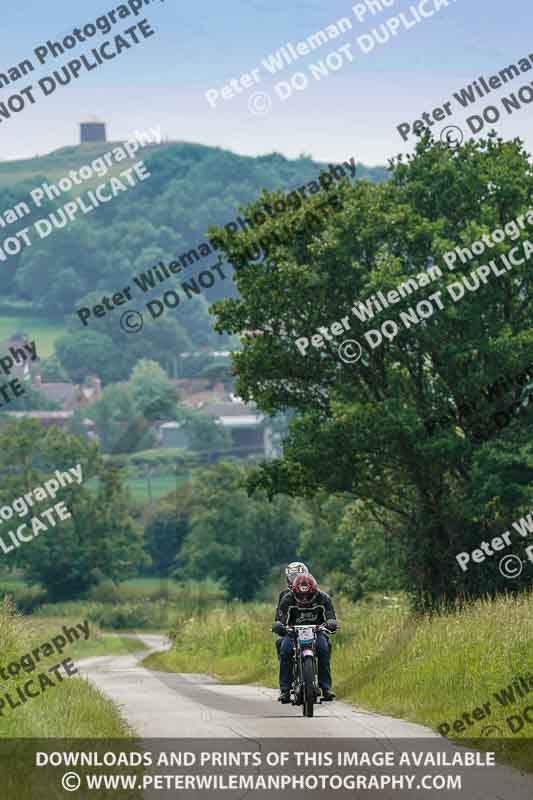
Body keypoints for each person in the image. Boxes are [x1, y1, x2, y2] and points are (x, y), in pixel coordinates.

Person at [272, 573, 338, 703]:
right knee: (285, 650)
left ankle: (326, 688)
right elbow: (281, 618)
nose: (304, 599)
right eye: (300, 596)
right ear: (294, 591)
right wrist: (280, 625)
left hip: (317, 631)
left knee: (323, 649)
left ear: (314, 590)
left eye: (308, 595)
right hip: (293, 633)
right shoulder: (287, 599)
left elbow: (330, 615)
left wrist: (331, 623)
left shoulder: (323, 598)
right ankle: (285, 690)